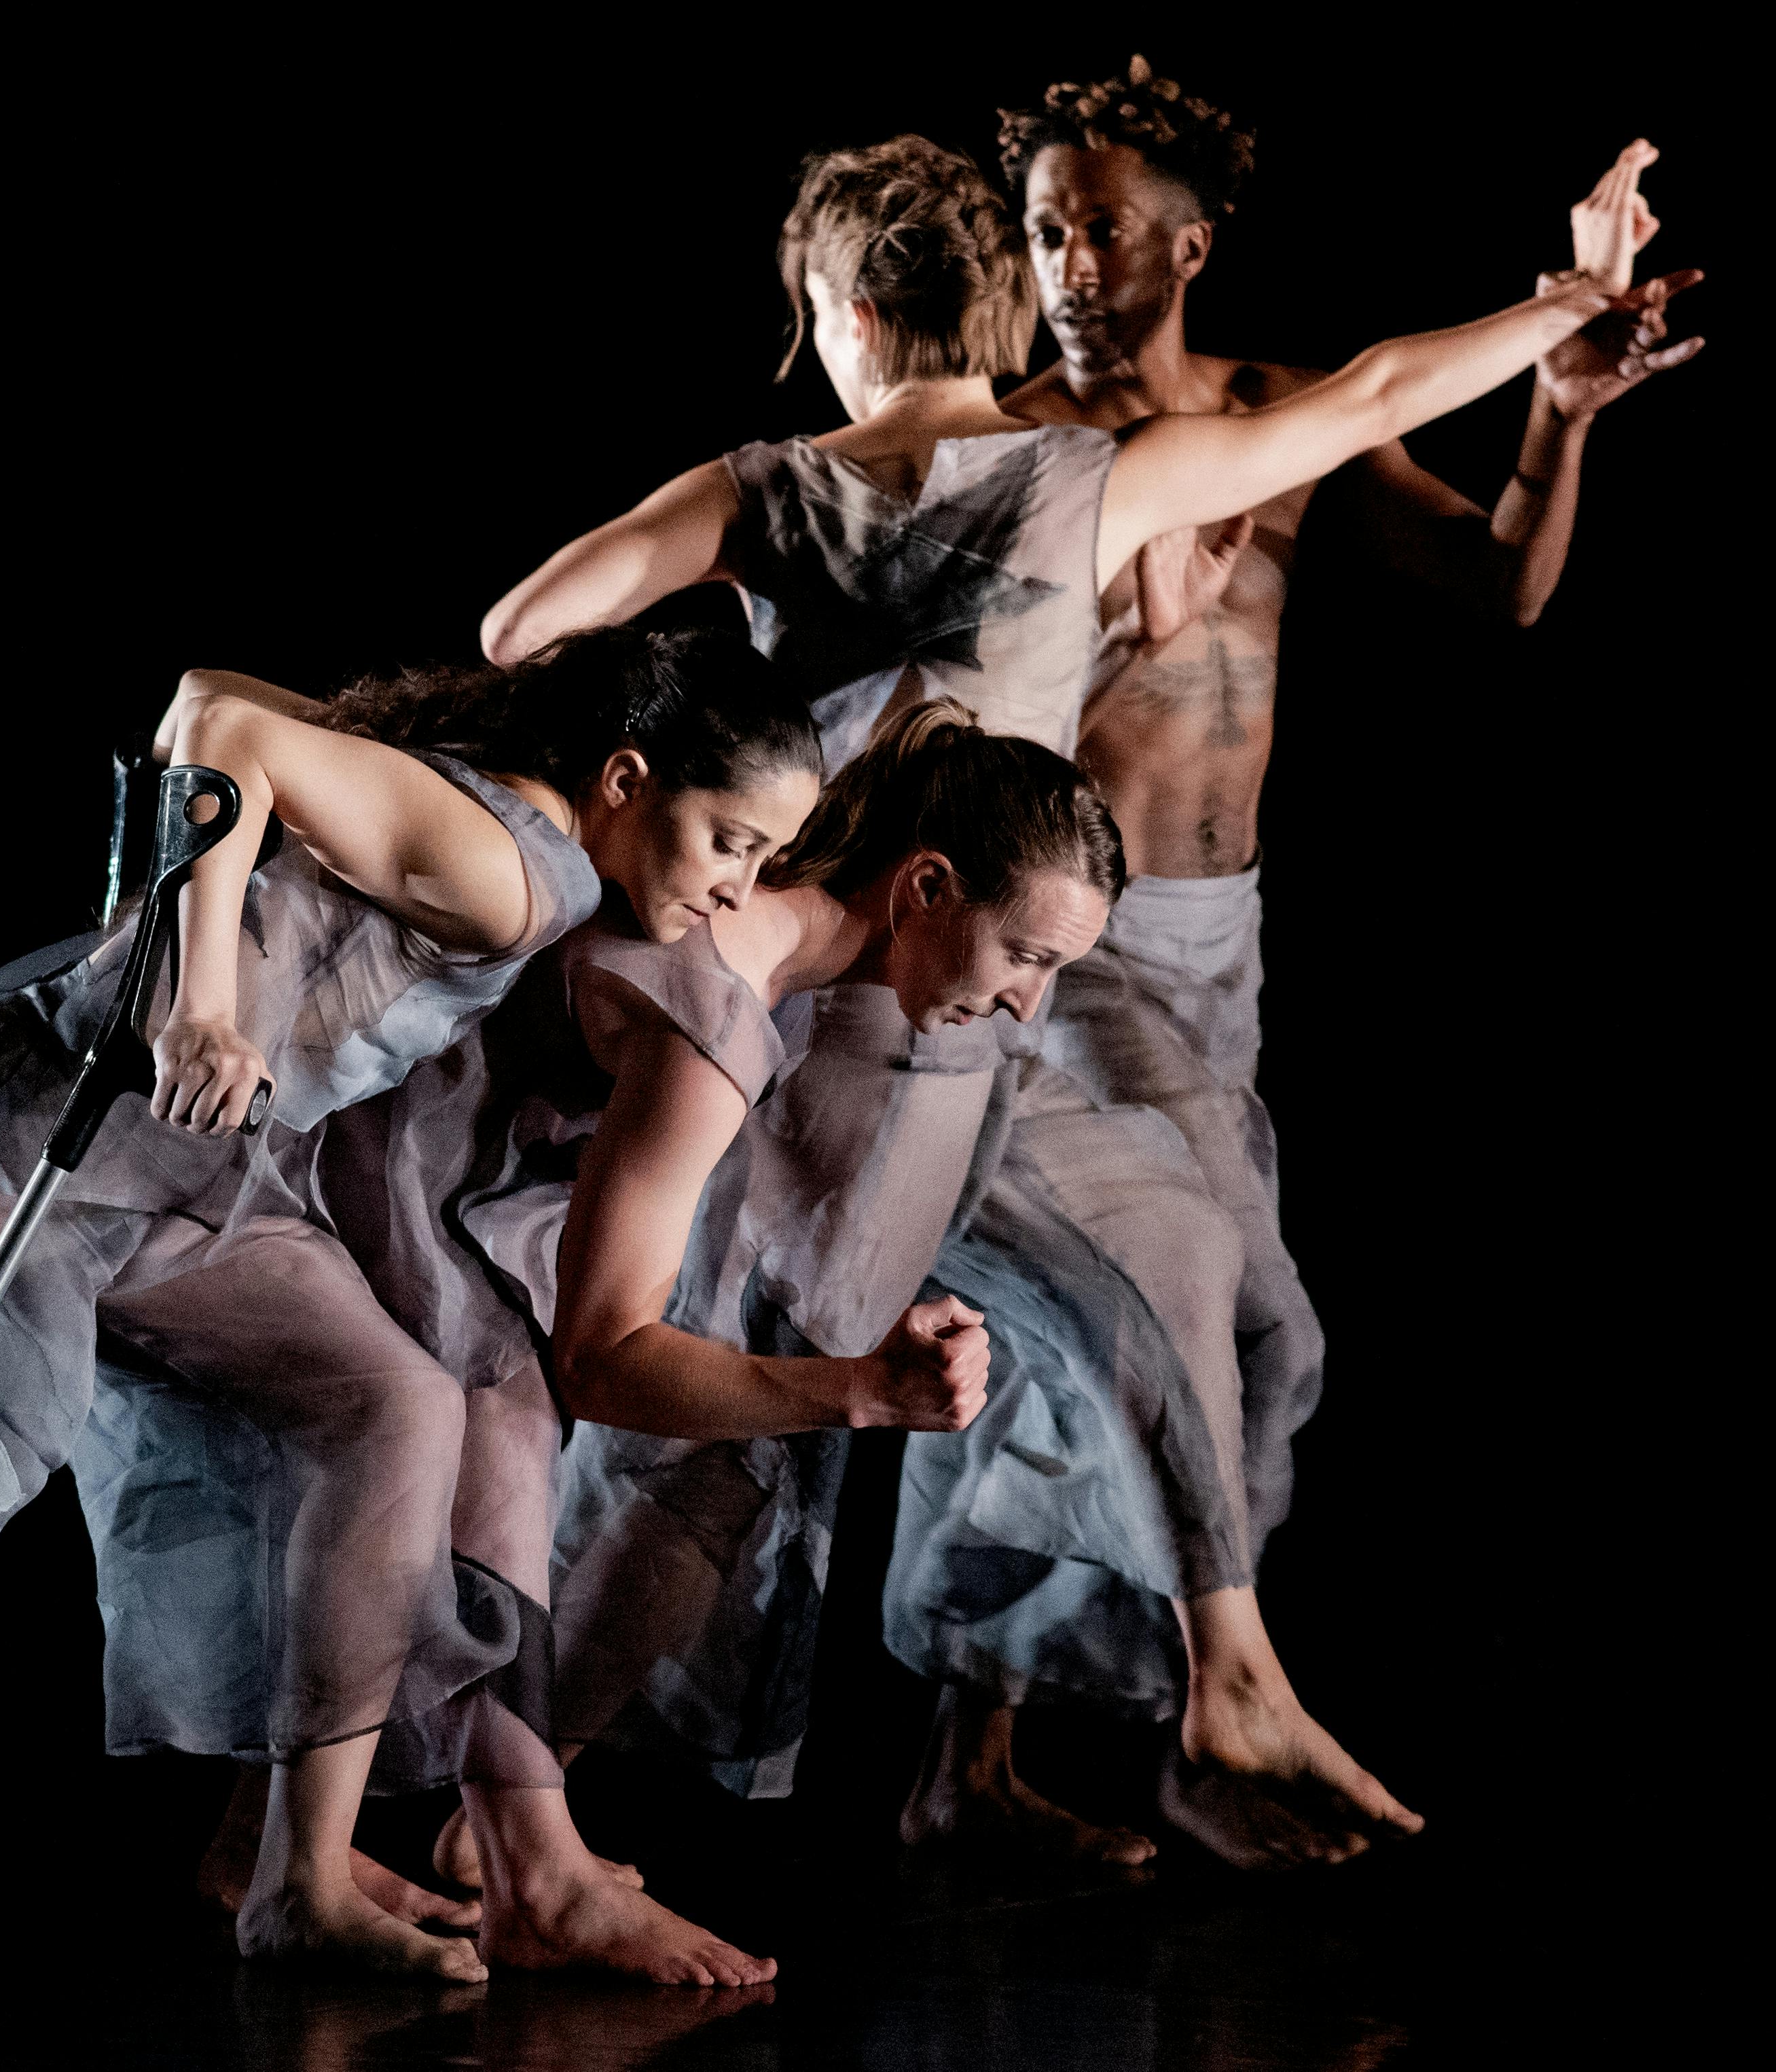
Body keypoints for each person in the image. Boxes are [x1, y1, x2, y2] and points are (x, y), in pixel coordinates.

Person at [484, 130, 1688, 1868]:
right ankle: (516, 1823)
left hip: (855, 1008)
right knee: (756, 1420)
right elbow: (1371, 394)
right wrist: (1564, 296)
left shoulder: (761, 487)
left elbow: (523, 628)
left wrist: (709, 775)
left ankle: (515, 1812)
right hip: (911, 1025)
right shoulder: (1085, 479)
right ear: (988, 298)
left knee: (774, 1412)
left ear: (830, 303)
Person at [0, 624, 821, 1984]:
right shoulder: (504, 875)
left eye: (769, 862)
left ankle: (292, 1874)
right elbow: (221, 737)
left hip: (196, 1183)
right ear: (623, 777)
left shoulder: (500, 821)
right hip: (40, 1145)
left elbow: (209, 696)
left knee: (392, 1405)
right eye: (733, 841)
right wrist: (201, 1003)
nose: (738, 888)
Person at [885, 67, 1705, 1870]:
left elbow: (1493, 591)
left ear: (1191, 236)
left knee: (1081, 1328)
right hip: (1057, 950)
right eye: (1041, 231)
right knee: (1238, 1322)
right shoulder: (1014, 442)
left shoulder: (1270, 416)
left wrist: (1558, 413)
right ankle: (1204, 1706)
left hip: (1211, 945)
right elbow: (952, 738)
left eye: (1101, 224)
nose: (1070, 261)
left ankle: (971, 1751)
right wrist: (1117, 625)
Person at [331, 699, 1121, 1981]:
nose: (1026, 1006)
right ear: (924, 883)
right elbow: (605, 1355)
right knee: (509, 1406)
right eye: (1024, 955)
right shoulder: (720, 989)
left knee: (504, 1400)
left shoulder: (777, 950)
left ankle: (291, 1847)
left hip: (418, 1181)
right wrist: (857, 1389)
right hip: (313, 1162)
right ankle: (531, 1870)